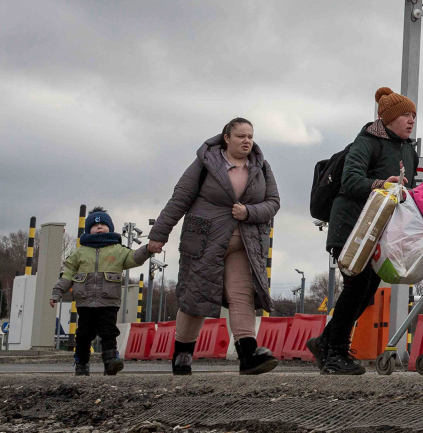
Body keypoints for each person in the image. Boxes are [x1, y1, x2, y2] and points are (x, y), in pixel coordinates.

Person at [147, 117, 281, 376]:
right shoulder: (206, 163)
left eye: (250, 136)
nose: (246, 141)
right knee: (196, 296)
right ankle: (183, 354)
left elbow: (273, 202)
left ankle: (248, 353)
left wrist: (249, 211)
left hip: (244, 243)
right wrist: (159, 234)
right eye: (241, 136)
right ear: (226, 138)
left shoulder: (261, 166)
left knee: (242, 295)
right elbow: (180, 199)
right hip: (204, 242)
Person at [308, 87, 418, 375]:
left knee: (367, 290)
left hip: (378, 229)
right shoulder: (367, 142)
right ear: (389, 118)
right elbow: (351, 181)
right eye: (406, 115)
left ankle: (325, 343)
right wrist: (382, 183)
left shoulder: (408, 148)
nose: (411, 120)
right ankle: (335, 353)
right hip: (351, 227)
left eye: (414, 115)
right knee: (357, 286)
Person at [51, 207, 151, 376]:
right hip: (85, 302)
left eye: (104, 224)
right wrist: (57, 292)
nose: (100, 227)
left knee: (108, 331)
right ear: (88, 229)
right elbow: (67, 274)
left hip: (108, 301)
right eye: (96, 225)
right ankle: (81, 363)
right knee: (83, 334)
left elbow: (134, 258)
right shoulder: (80, 252)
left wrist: (148, 249)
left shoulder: (117, 250)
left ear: (110, 228)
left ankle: (111, 361)